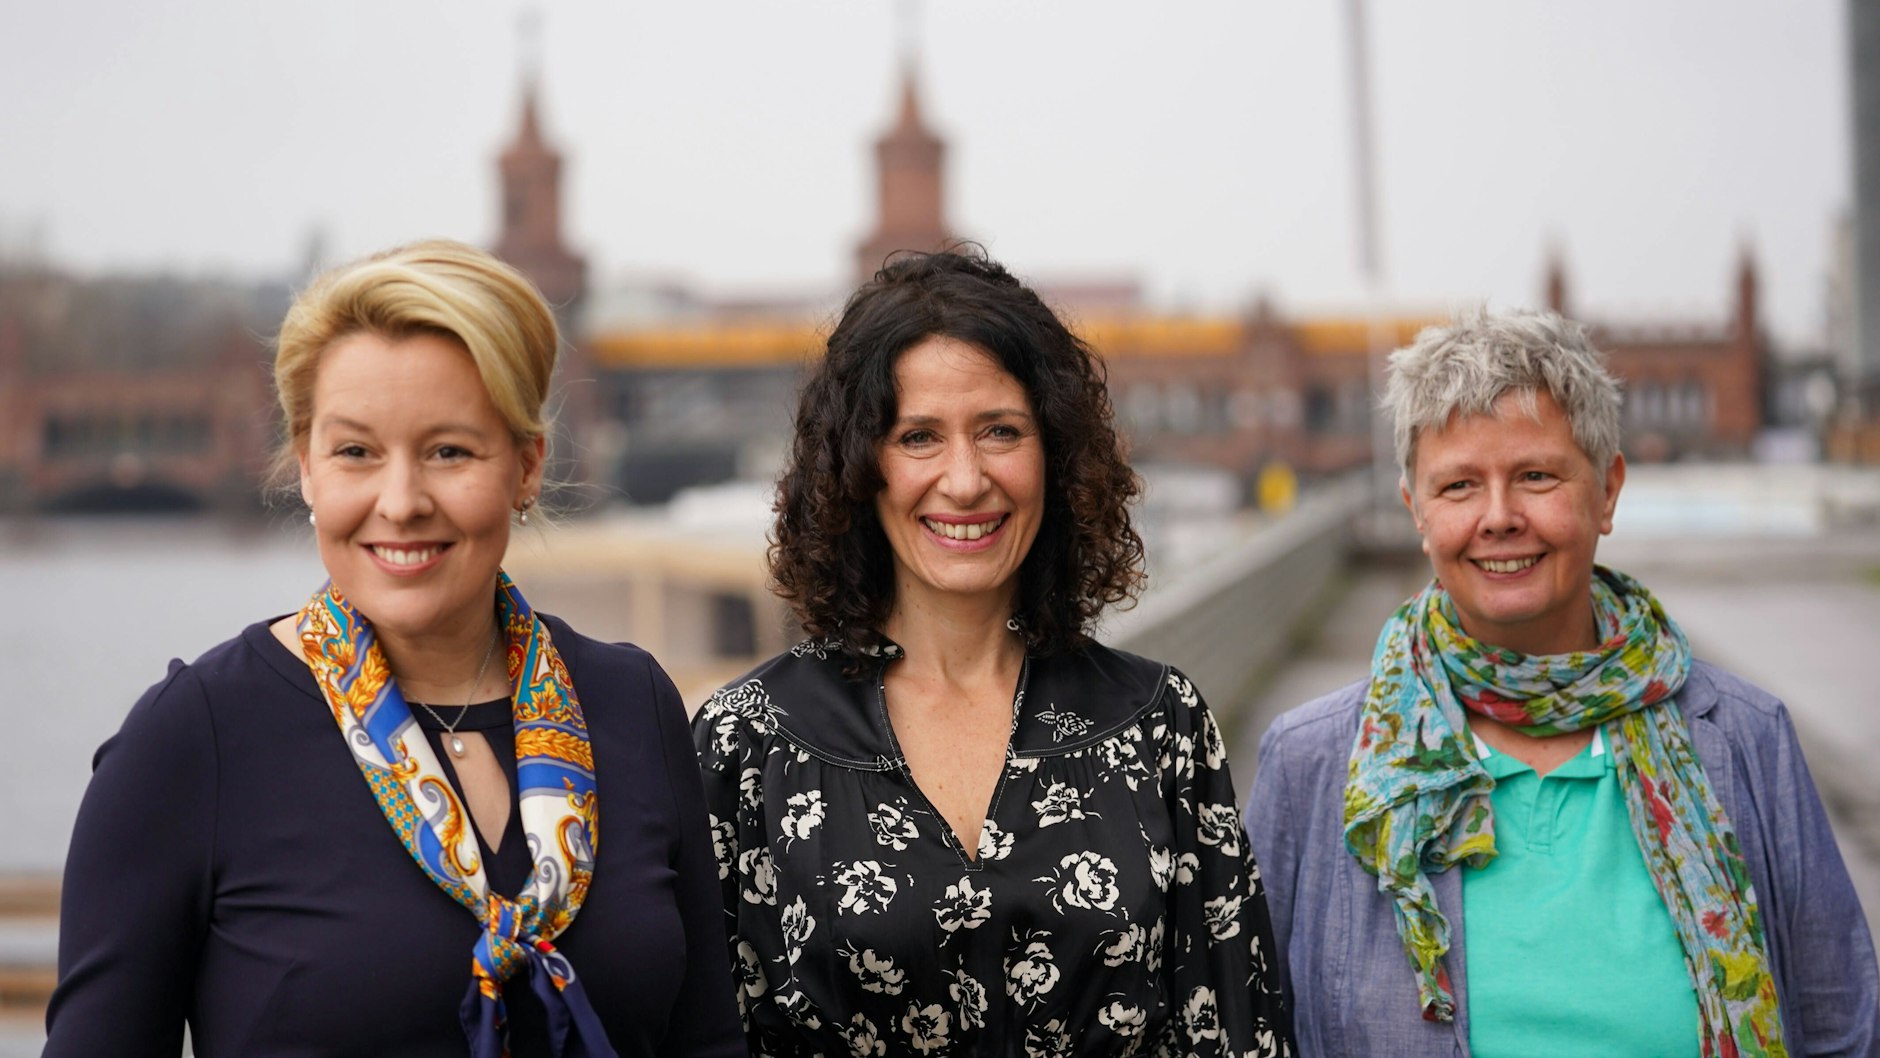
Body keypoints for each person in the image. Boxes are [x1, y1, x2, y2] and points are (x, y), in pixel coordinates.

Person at [44, 240, 744, 1057]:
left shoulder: (633, 704)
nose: (401, 501)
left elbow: (706, 1045)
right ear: (306, 466)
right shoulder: (193, 740)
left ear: (526, 466)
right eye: (356, 453)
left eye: (450, 451)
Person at [692, 249, 1293, 1057]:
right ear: (857, 468)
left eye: (1000, 431)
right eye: (919, 438)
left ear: (1057, 452)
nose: (966, 480)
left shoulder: (1160, 726)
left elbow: (1235, 1029)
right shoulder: (748, 743)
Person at [1244, 308, 1879, 1057]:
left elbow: (1840, 1028)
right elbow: (1248, 1032)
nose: (1500, 517)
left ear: (1607, 491)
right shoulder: (1313, 764)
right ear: (1416, 509)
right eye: (1458, 487)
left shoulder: (1746, 740)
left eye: (1536, 476)